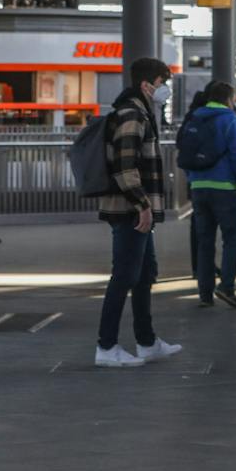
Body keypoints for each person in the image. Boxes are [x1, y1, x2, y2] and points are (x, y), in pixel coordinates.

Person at [95, 58, 182, 367]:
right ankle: (106, 347)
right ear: (148, 84)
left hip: (137, 209)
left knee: (145, 274)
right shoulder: (132, 115)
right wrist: (142, 205)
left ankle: (146, 342)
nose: (166, 89)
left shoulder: (141, 112)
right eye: (163, 82)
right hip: (130, 210)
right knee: (124, 276)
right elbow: (125, 166)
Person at [184, 81, 236, 308]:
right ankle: (227, 287)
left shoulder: (194, 117)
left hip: (199, 187)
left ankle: (205, 294)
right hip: (225, 188)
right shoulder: (230, 119)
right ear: (229, 99)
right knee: (231, 240)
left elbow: (186, 152)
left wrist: (193, 179)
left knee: (205, 241)